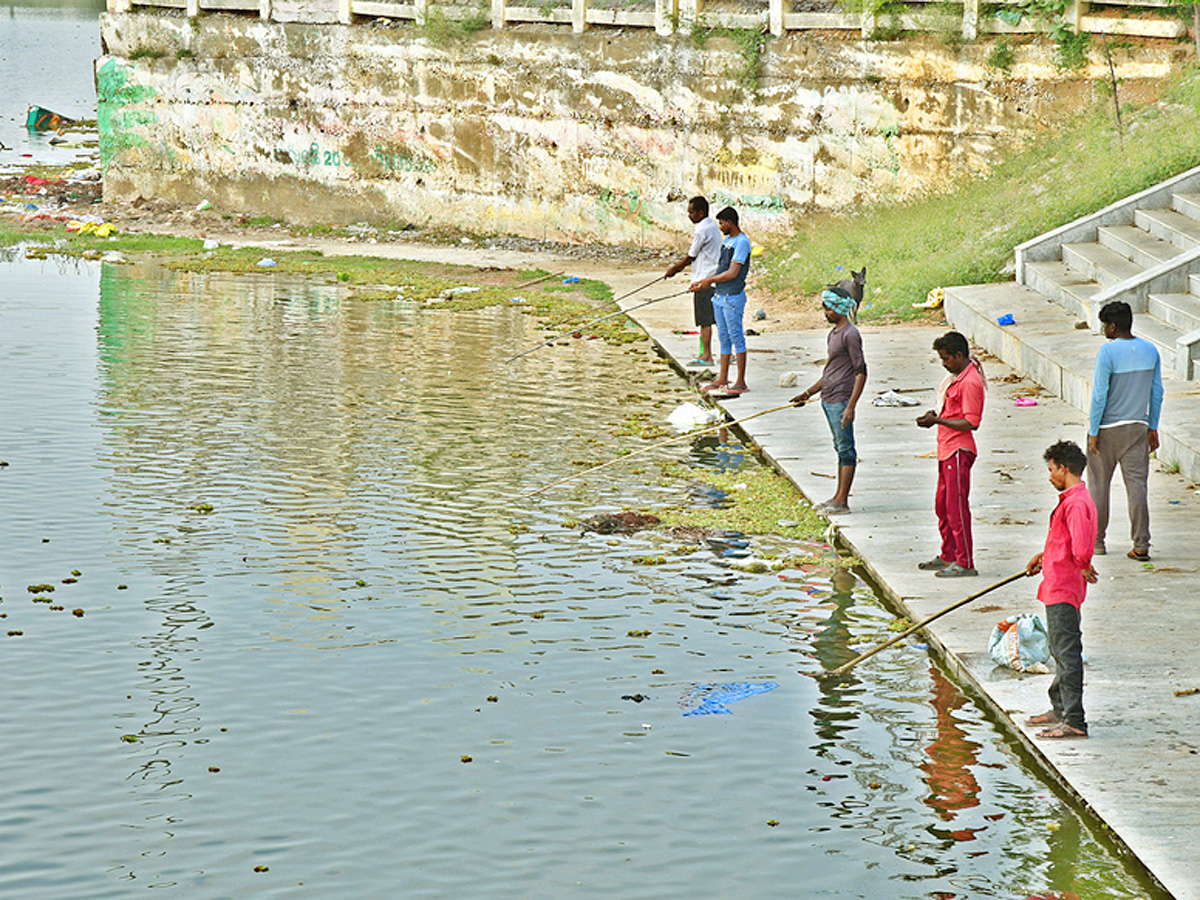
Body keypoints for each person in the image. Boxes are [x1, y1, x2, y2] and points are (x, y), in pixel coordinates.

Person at [1024, 440, 1098, 740]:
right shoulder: (1071, 500)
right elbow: (1063, 540)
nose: (1050, 475)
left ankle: (1074, 720)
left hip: (1064, 588)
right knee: (1058, 649)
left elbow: (1080, 547)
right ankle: (1059, 707)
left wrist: (1082, 564)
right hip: (1056, 582)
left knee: (1067, 653)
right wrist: (1043, 557)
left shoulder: (1077, 503)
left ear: (1064, 469)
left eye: (1052, 469)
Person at [1086, 300, 1163, 561]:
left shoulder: (1107, 353)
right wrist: (1153, 426)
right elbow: (1156, 393)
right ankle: (1141, 544)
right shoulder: (1150, 351)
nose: (1104, 330)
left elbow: (1099, 395)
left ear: (1112, 326)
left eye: (1105, 325)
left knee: (1098, 486)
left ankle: (1097, 542)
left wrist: (1093, 431)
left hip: (1107, 428)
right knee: (1137, 487)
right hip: (1138, 427)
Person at [790, 288, 867, 514]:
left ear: (840, 309)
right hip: (828, 398)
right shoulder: (834, 334)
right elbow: (830, 372)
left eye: (828, 308)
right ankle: (837, 496)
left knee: (846, 449)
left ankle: (842, 501)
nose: (825, 312)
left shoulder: (850, 335)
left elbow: (861, 371)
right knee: (839, 446)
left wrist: (851, 406)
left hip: (842, 399)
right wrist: (807, 394)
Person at [916, 331, 986, 578]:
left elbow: (971, 422)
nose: (944, 364)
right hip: (945, 448)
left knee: (956, 507)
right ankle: (948, 553)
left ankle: (965, 561)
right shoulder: (955, 378)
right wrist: (935, 417)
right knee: (943, 505)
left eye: (946, 359)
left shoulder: (970, 382)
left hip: (959, 449)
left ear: (959, 355)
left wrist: (937, 420)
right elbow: (947, 410)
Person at [690, 206, 750, 395]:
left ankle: (741, 381)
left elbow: (732, 273)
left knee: (736, 338)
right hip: (720, 296)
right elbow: (720, 269)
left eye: (722, 223)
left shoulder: (741, 242)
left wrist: (710, 280)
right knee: (723, 338)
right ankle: (722, 378)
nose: (721, 227)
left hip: (733, 297)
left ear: (730, 222)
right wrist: (703, 283)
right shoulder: (728, 241)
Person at [664, 196, 721, 367]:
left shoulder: (701, 230)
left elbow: (691, 256)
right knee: (716, 319)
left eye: (691, 212)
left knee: (705, 321)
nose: (689, 216)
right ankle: (722, 352)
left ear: (700, 213)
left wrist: (674, 269)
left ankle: (707, 356)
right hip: (712, 277)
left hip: (704, 280)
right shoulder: (711, 226)